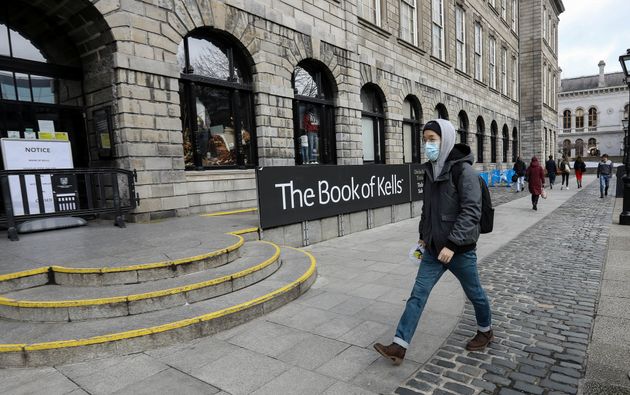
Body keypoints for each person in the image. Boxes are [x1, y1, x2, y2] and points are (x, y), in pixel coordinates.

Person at [373, 119, 492, 366]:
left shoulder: (464, 172)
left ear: (445, 140)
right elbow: (428, 210)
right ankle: (400, 345)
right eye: (425, 139)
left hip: (459, 250)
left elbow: (471, 211)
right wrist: (422, 235)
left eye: (432, 139)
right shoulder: (430, 169)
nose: (427, 144)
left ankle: (485, 330)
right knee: (418, 294)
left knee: (475, 294)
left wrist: (452, 244)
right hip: (433, 248)